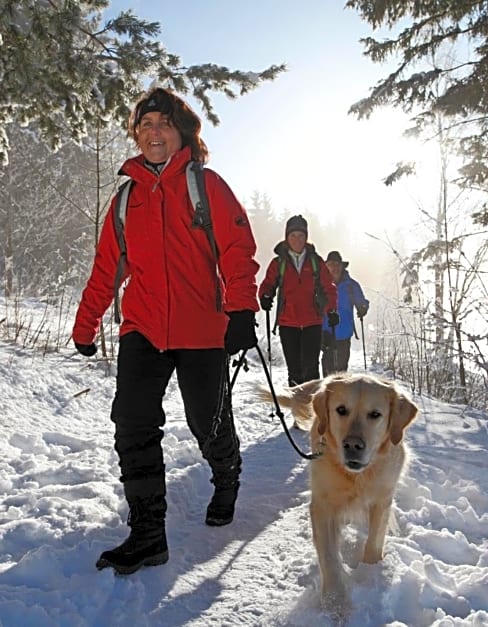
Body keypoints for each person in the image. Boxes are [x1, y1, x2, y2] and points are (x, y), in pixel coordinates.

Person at [72, 87, 260, 575]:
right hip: (143, 327)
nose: (154, 133)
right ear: (136, 135)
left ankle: (226, 474)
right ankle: (147, 533)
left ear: (181, 133)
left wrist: (241, 311)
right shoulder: (126, 198)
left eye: (164, 124)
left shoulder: (206, 185)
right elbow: (106, 268)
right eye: (146, 125)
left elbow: (237, 248)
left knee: (207, 421)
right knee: (132, 423)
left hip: (202, 330)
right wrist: (85, 321)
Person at [258, 215, 337, 386]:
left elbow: (328, 287)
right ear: (287, 237)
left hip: (312, 322)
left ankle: (311, 410)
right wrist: (265, 296)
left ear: (306, 237)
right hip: (288, 323)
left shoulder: (316, 261)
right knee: (294, 370)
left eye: (301, 235)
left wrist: (331, 310)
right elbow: (267, 284)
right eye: (293, 235)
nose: (297, 239)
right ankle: (297, 410)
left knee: (311, 369)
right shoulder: (279, 263)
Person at [320, 251, 370, 375]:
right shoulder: (320, 285)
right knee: (328, 370)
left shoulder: (351, 286)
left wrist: (363, 307)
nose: (334, 268)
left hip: (344, 333)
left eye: (337, 264)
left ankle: (339, 394)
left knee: (342, 371)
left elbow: (361, 301)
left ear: (342, 266)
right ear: (326, 267)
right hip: (326, 333)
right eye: (331, 264)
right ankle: (329, 394)